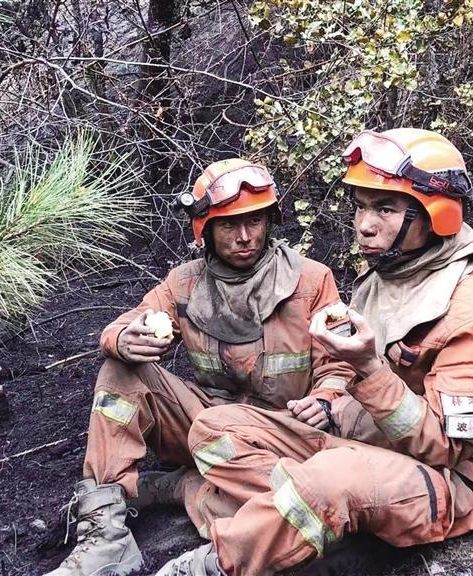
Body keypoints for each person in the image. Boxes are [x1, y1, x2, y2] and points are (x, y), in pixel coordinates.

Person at [154, 128, 473, 576]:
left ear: (434, 214)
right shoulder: (392, 275)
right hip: (365, 444)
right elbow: (347, 377)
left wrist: (369, 368)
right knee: (215, 429)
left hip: (448, 480)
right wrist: (328, 401)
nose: (364, 224)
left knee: (329, 478)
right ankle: (319, 519)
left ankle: (214, 561)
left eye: (385, 209)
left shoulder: (472, 310)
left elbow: (446, 449)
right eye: (360, 206)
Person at [45, 158, 356, 576]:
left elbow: (340, 364)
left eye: (255, 221)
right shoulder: (185, 283)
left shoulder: (312, 280)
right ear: (205, 229)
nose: (245, 237)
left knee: (306, 500)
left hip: (282, 433)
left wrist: (325, 399)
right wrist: (121, 338)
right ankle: (106, 538)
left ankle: (179, 487)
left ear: (270, 221)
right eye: (229, 225)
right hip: (205, 424)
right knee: (120, 370)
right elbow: (128, 323)